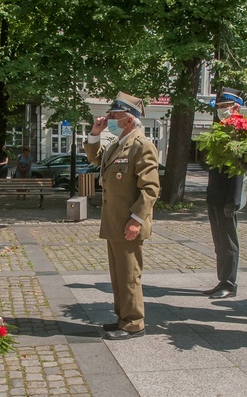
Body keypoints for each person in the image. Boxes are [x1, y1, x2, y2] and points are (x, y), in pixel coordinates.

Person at [84, 92, 160, 340]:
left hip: (128, 223)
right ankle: (122, 318)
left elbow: (150, 188)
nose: (110, 119)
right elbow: (96, 157)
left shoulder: (142, 146)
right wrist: (95, 133)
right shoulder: (118, 144)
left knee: (129, 275)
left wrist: (137, 220)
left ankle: (134, 323)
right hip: (115, 221)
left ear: (128, 119)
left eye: (114, 115)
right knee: (118, 274)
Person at [202, 87, 246, 300]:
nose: (221, 111)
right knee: (220, 242)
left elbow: (238, 171)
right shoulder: (221, 129)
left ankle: (229, 283)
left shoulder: (240, 133)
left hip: (228, 197)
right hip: (215, 194)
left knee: (228, 242)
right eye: (219, 108)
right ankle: (222, 280)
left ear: (236, 107)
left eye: (224, 107)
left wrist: (234, 201)